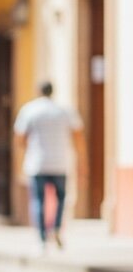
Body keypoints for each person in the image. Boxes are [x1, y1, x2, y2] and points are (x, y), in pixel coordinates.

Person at [13, 81, 85, 249]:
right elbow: (78, 136)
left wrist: (27, 149)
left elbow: (19, 137)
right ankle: (57, 228)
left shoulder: (29, 110)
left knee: (38, 200)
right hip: (60, 162)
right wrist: (82, 160)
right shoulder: (64, 111)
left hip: (37, 162)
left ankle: (42, 238)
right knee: (61, 198)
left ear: (38, 91)